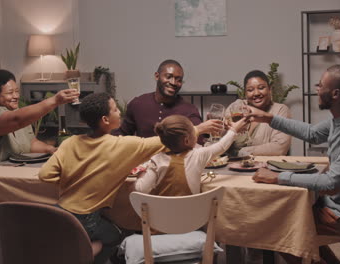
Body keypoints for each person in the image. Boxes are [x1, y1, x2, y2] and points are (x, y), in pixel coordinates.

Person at [38, 93, 214, 264]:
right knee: (117, 235)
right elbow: (165, 140)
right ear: (105, 120)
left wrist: (75, 173)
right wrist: (198, 129)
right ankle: (80, 258)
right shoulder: (122, 145)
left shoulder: (70, 142)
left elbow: (45, 175)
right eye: (115, 110)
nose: (120, 112)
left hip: (60, 212)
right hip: (88, 218)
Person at [0, 69, 78, 262]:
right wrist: (54, 101)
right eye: (10, 92)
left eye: (16, 91)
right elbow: (16, 120)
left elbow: (30, 144)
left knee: (37, 200)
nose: (16, 96)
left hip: (1, 177)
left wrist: (53, 150)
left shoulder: (17, 115)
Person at [249, 65, 340, 264]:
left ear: (335, 93)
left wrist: (278, 177)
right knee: (287, 214)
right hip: (335, 204)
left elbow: (331, 182)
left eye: (320, 85)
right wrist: (269, 119)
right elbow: (312, 134)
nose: (316, 89)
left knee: (278, 230)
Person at [134, 114, 248, 196]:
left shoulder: (156, 160)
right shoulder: (198, 156)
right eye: (194, 132)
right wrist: (234, 129)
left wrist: (141, 173)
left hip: (160, 226)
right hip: (193, 224)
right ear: (187, 140)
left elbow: (141, 190)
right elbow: (222, 146)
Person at [111, 59, 221, 142]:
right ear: (157, 76)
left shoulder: (189, 110)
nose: (173, 82)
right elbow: (121, 135)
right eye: (168, 77)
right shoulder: (138, 104)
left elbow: (198, 140)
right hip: (143, 166)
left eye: (179, 80)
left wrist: (207, 130)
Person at [225, 70, 291, 157]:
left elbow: (280, 148)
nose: (256, 93)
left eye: (261, 88)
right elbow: (218, 141)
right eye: (250, 90)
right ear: (245, 93)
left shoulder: (280, 110)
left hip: (266, 166)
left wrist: (240, 153)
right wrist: (223, 131)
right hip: (231, 166)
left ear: (270, 90)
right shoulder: (236, 107)